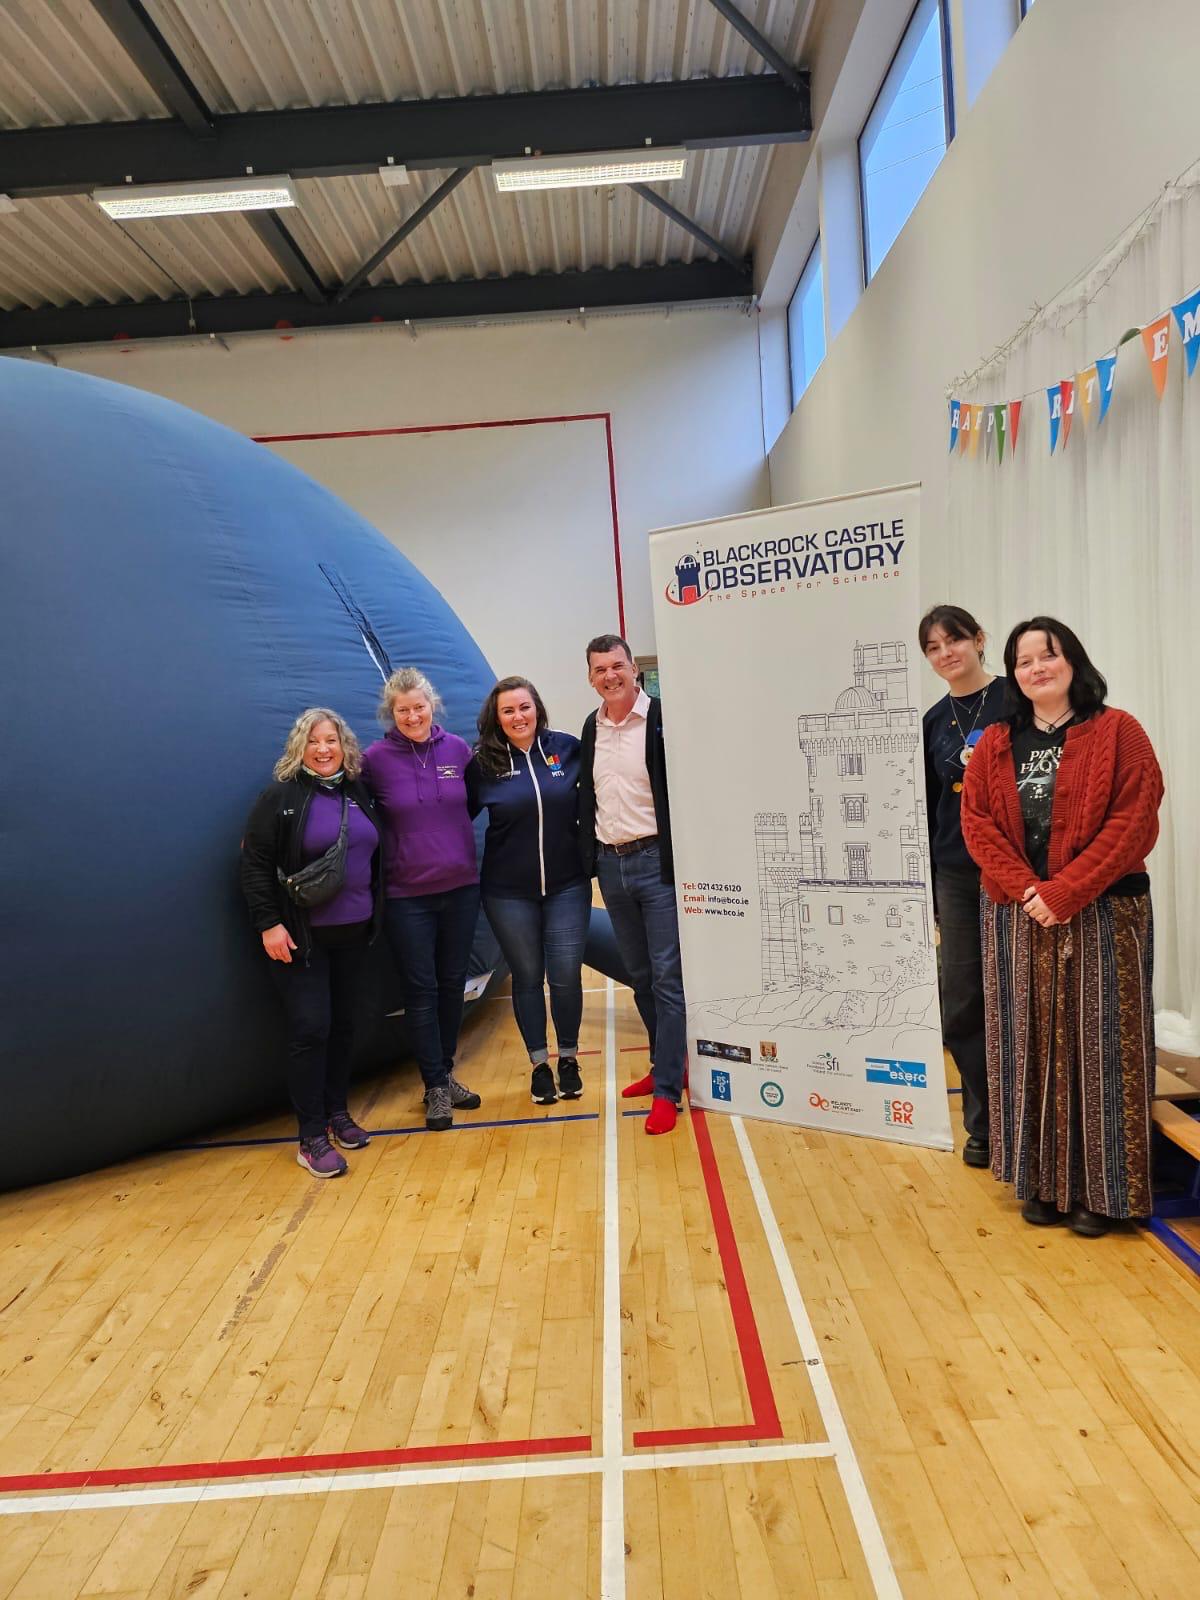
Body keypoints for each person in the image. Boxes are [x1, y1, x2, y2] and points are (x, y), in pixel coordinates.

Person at [961, 617, 1163, 1236]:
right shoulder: (996, 742)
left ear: (1073, 660)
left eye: (1047, 655)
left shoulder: (1119, 731)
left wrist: (1066, 891)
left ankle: (1102, 1195)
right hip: (1018, 914)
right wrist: (1030, 890)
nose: (1036, 669)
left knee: (1102, 1049)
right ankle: (1040, 1184)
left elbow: (1134, 821)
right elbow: (977, 823)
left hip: (1104, 911)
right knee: (1026, 1045)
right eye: (1023, 662)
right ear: (1013, 676)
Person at [241, 708, 383, 1178]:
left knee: (344, 1026)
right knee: (311, 1029)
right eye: (314, 741)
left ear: (344, 746)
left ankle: (338, 1112)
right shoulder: (281, 796)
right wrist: (269, 924)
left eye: (331, 740)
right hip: (302, 938)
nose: (323, 749)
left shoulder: (356, 791)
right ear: (299, 748)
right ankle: (310, 1136)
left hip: (354, 933)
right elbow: (254, 864)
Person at [362, 667, 482, 1132]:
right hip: (407, 895)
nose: (412, 716)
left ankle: (445, 1074)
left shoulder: (457, 750)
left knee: (452, 985)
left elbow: (471, 803)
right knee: (421, 991)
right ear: (390, 713)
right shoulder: (374, 760)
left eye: (419, 707)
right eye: (402, 710)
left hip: (461, 888)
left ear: (433, 705)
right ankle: (433, 1085)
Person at [578, 634, 685, 1135]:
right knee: (639, 975)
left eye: (617, 665)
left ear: (633, 668)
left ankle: (668, 1091)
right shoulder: (590, 727)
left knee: (667, 978)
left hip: (655, 861)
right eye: (600, 669)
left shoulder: (662, 719)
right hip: (611, 865)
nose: (610, 676)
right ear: (590, 677)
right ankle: (667, 1065)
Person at [466, 677, 591, 1106]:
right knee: (527, 977)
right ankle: (539, 1065)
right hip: (508, 893)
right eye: (508, 710)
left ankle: (569, 1059)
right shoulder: (483, 764)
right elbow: (451, 817)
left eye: (524, 707)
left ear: (537, 708)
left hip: (567, 886)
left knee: (566, 975)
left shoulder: (567, 749)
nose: (518, 716)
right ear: (496, 717)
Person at [919, 604, 1012, 1169]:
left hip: (1017, 871)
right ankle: (985, 1123)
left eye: (953, 640)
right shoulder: (933, 721)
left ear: (978, 639)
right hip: (956, 873)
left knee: (1019, 997)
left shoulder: (1014, 700)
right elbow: (930, 809)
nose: (945, 653)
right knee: (961, 1002)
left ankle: (1028, 1125)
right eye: (933, 647)